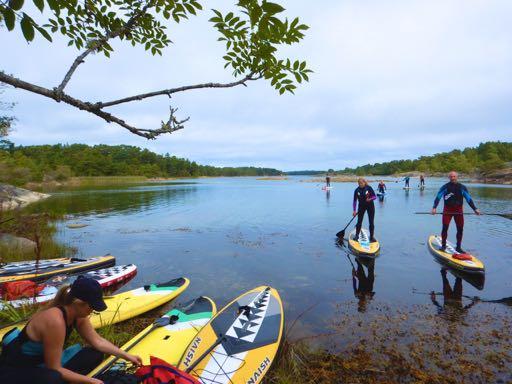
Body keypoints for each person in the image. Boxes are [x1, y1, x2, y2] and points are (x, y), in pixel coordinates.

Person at [0, 276, 142, 384]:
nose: (92, 311)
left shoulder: (77, 314)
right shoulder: (55, 321)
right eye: (91, 307)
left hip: (42, 361)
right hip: (17, 369)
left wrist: (126, 355)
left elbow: (97, 341)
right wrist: (91, 381)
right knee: (53, 378)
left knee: (96, 353)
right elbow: (54, 368)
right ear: (78, 303)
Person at [431, 171, 481, 252]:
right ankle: (443, 246)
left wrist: (475, 209)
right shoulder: (445, 187)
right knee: (445, 228)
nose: (453, 178)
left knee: (460, 229)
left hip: (459, 211)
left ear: (457, 177)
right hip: (447, 210)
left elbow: (468, 199)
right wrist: (434, 208)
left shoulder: (462, 187)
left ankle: (458, 247)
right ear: (449, 177)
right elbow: (438, 197)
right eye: (451, 176)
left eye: (454, 176)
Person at [352, 178, 377, 242]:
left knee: (371, 222)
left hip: (370, 206)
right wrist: (354, 210)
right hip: (361, 207)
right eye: (359, 183)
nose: (360, 184)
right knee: (359, 221)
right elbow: (354, 201)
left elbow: (375, 197)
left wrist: (370, 199)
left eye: (361, 183)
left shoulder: (369, 188)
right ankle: (357, 236)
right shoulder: (357, 190)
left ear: (364, 182)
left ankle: (371, 237)